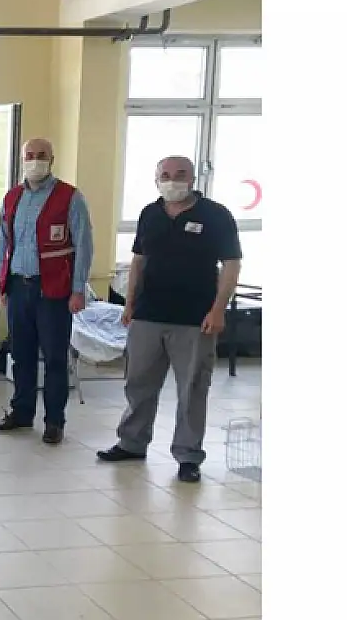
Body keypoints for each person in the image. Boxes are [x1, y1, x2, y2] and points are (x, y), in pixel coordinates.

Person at [97, 156, 241, 483]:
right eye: (165, 174)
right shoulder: (150, 213)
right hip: (148, 314)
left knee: (192, 388)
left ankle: (188, 455)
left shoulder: (216, 215)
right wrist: (129, 303)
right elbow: (138, 261)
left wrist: (219, 309)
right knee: (138, 383)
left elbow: (231, 265)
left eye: (180, 174)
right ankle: (132, 442)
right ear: (156, 179)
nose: (172, 180)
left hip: (195, 318)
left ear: (193, 179)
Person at [0, 137, 94, 445]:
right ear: (23, 159)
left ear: (52, 159)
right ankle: (22, 412)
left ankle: (54, 421)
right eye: (30, 155)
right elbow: (3, 242)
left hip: (53, 291)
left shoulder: (70, 197)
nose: (35, 160)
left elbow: (84, 246)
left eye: (41, 155)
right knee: (21, 355)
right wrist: (2, 283)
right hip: (18, 287)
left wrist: (78, 290)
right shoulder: (12, 197)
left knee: (54, 358)